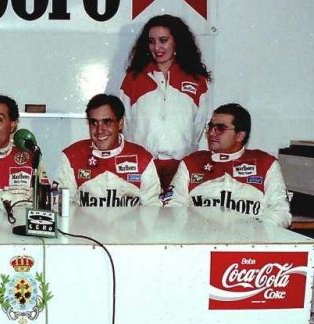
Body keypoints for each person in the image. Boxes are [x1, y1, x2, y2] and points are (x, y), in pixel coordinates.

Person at [119, 14, 212, 191]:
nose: (157, 47)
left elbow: (198, 126)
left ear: (177, 41)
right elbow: (126, 124)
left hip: (181, 167)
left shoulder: (197, 79)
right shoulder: (133, 78)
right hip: (143, 167)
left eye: (163, 40)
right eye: (151, 41)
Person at [166, 103, 291, 227]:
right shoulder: (191, 163)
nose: (212, 133)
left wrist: (257, 230)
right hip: (200, 235)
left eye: (220, 128)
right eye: (210, 127)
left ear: (240, 136)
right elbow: (173, 208)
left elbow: (280, 211)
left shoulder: (266, 164)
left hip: (248, 236)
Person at [53, 94, 160, 207]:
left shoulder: (142, 159)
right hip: (83, 219)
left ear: (120, 123)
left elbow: (153, 208)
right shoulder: (72, 156)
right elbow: (60, 206)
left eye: (107, 122)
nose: (100, 130)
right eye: (94, 123)